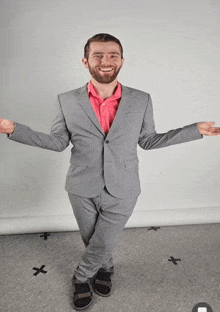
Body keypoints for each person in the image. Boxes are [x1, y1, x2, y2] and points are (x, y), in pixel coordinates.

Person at [0, 33, 220, 310]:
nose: (106, 61)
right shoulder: (66, 100)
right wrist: (13, 130)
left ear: (122, 61)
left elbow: (148, 140)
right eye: (98, 55)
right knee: (93, 239)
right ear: (85, 61)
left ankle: (80, 278)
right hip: (81, 185)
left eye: (113, 55)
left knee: (104, 238)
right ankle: (105, 269)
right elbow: (58, 142)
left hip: (124, 185)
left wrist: (193, 131)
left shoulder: (141, 99)